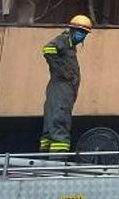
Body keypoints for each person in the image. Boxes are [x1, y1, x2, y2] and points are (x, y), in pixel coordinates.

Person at [39, 15, 92, 153]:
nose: (82, 35)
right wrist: (61, 70)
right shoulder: (63, 40)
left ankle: (47, 153)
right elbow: (48, 49)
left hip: (64, 90)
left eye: (85, 33)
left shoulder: (70, 46)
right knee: (59, 119)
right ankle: (58, 157)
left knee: (53, 120)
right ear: (72, 30)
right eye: (81, 32)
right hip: (61, 89)